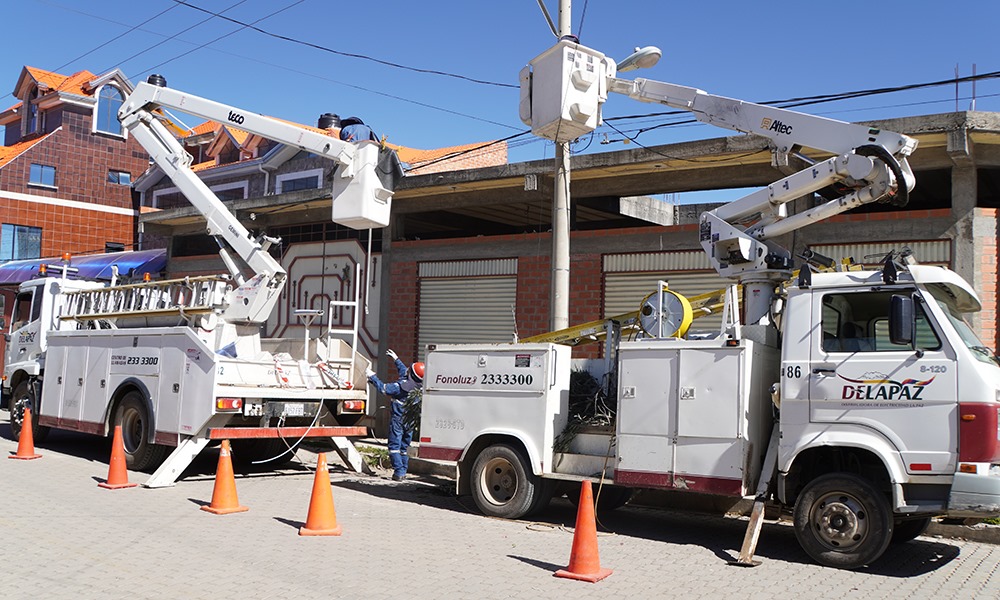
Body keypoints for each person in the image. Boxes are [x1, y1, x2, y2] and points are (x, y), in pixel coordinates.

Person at [367, 349, 424, 481]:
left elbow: (383, 388)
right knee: (404, 447)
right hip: (410, 421)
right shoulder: (418, 385)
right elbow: (407, 373)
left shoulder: (399, 387)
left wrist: (372, 377)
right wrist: (396, 359)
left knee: (394, 447)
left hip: (398, 420)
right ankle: (403, 471)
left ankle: (398, 471)